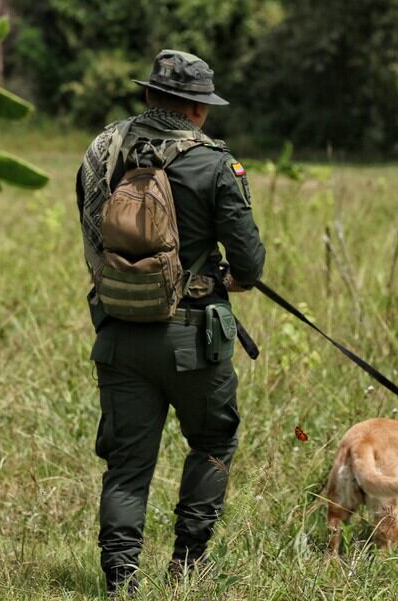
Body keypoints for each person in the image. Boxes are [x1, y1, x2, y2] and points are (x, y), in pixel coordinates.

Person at [75, 49, 266, 594]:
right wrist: (222, 276)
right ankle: (187, 563)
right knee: (213, 442)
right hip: (193, 339)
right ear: (198, 109)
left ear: (148, 95)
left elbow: (94, 238)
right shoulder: (215, 165)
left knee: (127, 465)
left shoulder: (103, 151)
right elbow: (250, 265)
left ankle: (120, 580)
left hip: (119, 332)